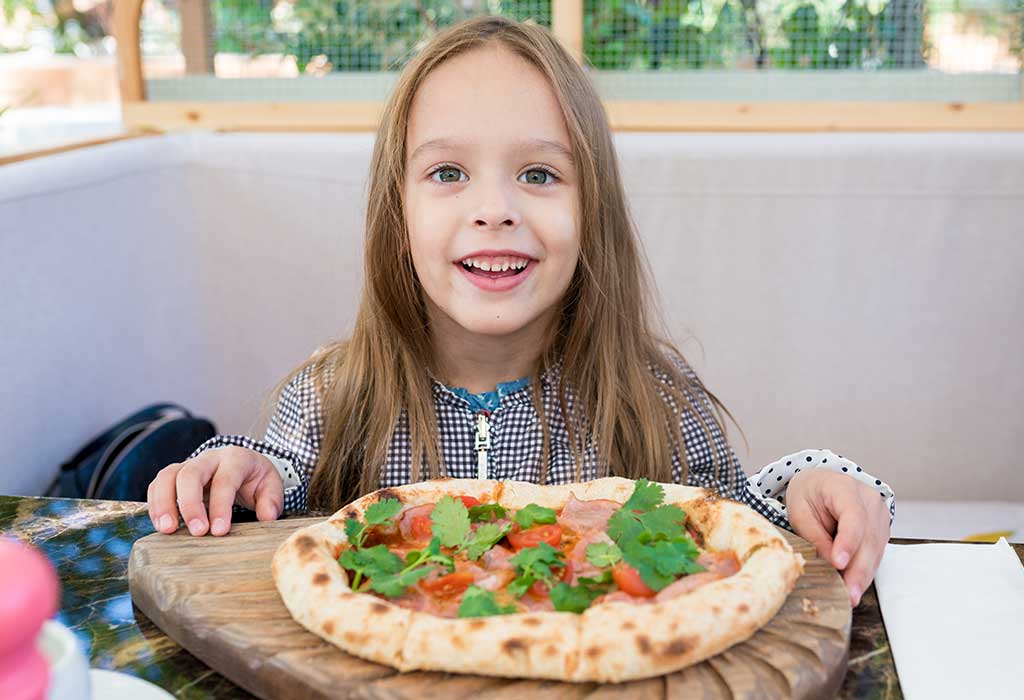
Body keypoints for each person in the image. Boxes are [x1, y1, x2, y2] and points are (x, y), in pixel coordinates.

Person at [145, 16, 893, 606]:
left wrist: (814, 482)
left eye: (538, 173)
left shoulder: (654, 398)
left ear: (591, 211)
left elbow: (741, 521)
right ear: (394, 215)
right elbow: (266, 492)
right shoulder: (331, 396)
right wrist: (231, 474)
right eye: (447, 173)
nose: (494, 210)